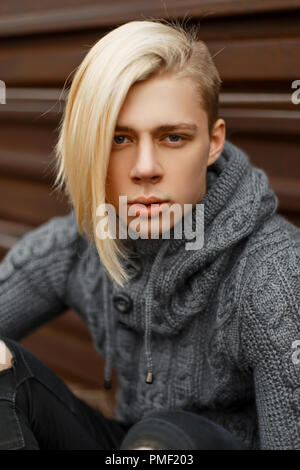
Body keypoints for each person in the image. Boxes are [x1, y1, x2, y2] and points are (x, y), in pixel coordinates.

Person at [0, 18, 299, 451]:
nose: (145, 168)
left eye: (172, 137)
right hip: (126, 447)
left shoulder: (274, 276)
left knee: (158, 443)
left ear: (213, 142)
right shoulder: (79, 245)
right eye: (120, 138)